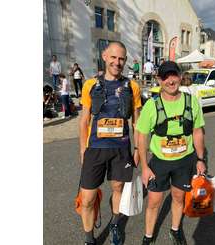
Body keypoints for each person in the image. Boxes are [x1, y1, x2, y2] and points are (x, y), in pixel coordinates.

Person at [136, 61, 206, 245]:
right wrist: (144, 167)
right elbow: (142, 137)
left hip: (184, 160)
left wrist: (200, 159)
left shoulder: (191, 102)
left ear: (180, 76)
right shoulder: (152, 105)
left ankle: (175, 230)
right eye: (165, 76)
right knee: (153, 201)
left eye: (173, 75)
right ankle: (148, 236)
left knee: (178, 196)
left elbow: (198, 131)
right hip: (160, 162)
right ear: (159, 79)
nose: (170, 80)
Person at [79, 41, 142, 245]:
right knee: (87, 198)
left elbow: (137, 122)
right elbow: (84, 121)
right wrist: (82, 149)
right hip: (95, 148)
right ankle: (89, 239)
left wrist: (138, 148)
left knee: (118, 188)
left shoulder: (132, 86)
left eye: (121, 58)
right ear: (105, 56)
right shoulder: (90, 85)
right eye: (113, 57)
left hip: (121, 149)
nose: (118, 62)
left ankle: (115, 223)